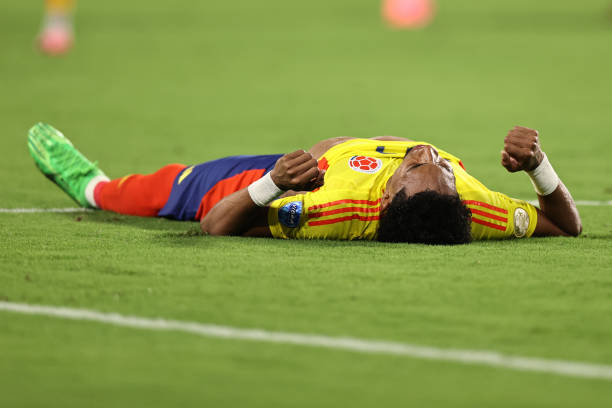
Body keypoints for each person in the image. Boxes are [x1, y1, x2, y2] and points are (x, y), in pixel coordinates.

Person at [27, 123, 581, 244]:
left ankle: (91, 187)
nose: (428, 152)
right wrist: (539, 167)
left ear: (388, 195)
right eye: (440, 166)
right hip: (307, 167)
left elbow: (217, 225)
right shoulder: (473, 209)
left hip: (287, 174)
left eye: (418, 165)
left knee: (176, 191)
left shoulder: (327, 209)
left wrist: (271, 185)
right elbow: (564, 224)